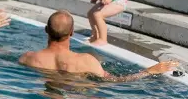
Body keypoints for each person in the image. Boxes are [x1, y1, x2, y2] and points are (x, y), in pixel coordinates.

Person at [19, 11, 179, 79]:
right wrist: (149, 71)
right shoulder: (86, 61)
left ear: (46, 30)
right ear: (72, 32)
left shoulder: (28, 58)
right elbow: (118, 81)